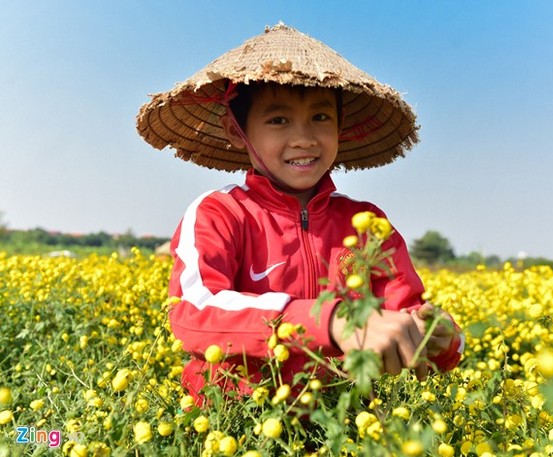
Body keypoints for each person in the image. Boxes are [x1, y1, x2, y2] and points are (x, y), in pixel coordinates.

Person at [137, 23, 464, 403]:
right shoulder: (220, 213)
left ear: (341, 127)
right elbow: (194, 311)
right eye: (278, 120)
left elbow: (403, 310)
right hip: (236, 423)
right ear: (235, 130)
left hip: (341, 425)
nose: (304, 138)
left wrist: (439, 337)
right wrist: (329, 321)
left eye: (321, 118)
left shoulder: (368, 224)